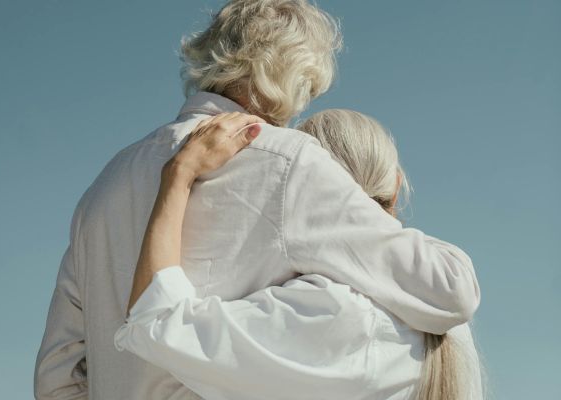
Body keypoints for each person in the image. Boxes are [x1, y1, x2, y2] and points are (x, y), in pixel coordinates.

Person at [34, 1, 480, 399]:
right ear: (300, 81)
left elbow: (56, 380)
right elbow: (449, 289)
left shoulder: (106, 183)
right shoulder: (291, 162)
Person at [113, 110, 484, 400]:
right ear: (398, 187)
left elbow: (157, 321)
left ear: (316, 186)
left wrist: (179, 174)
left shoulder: (332, 311)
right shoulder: (450, 321)